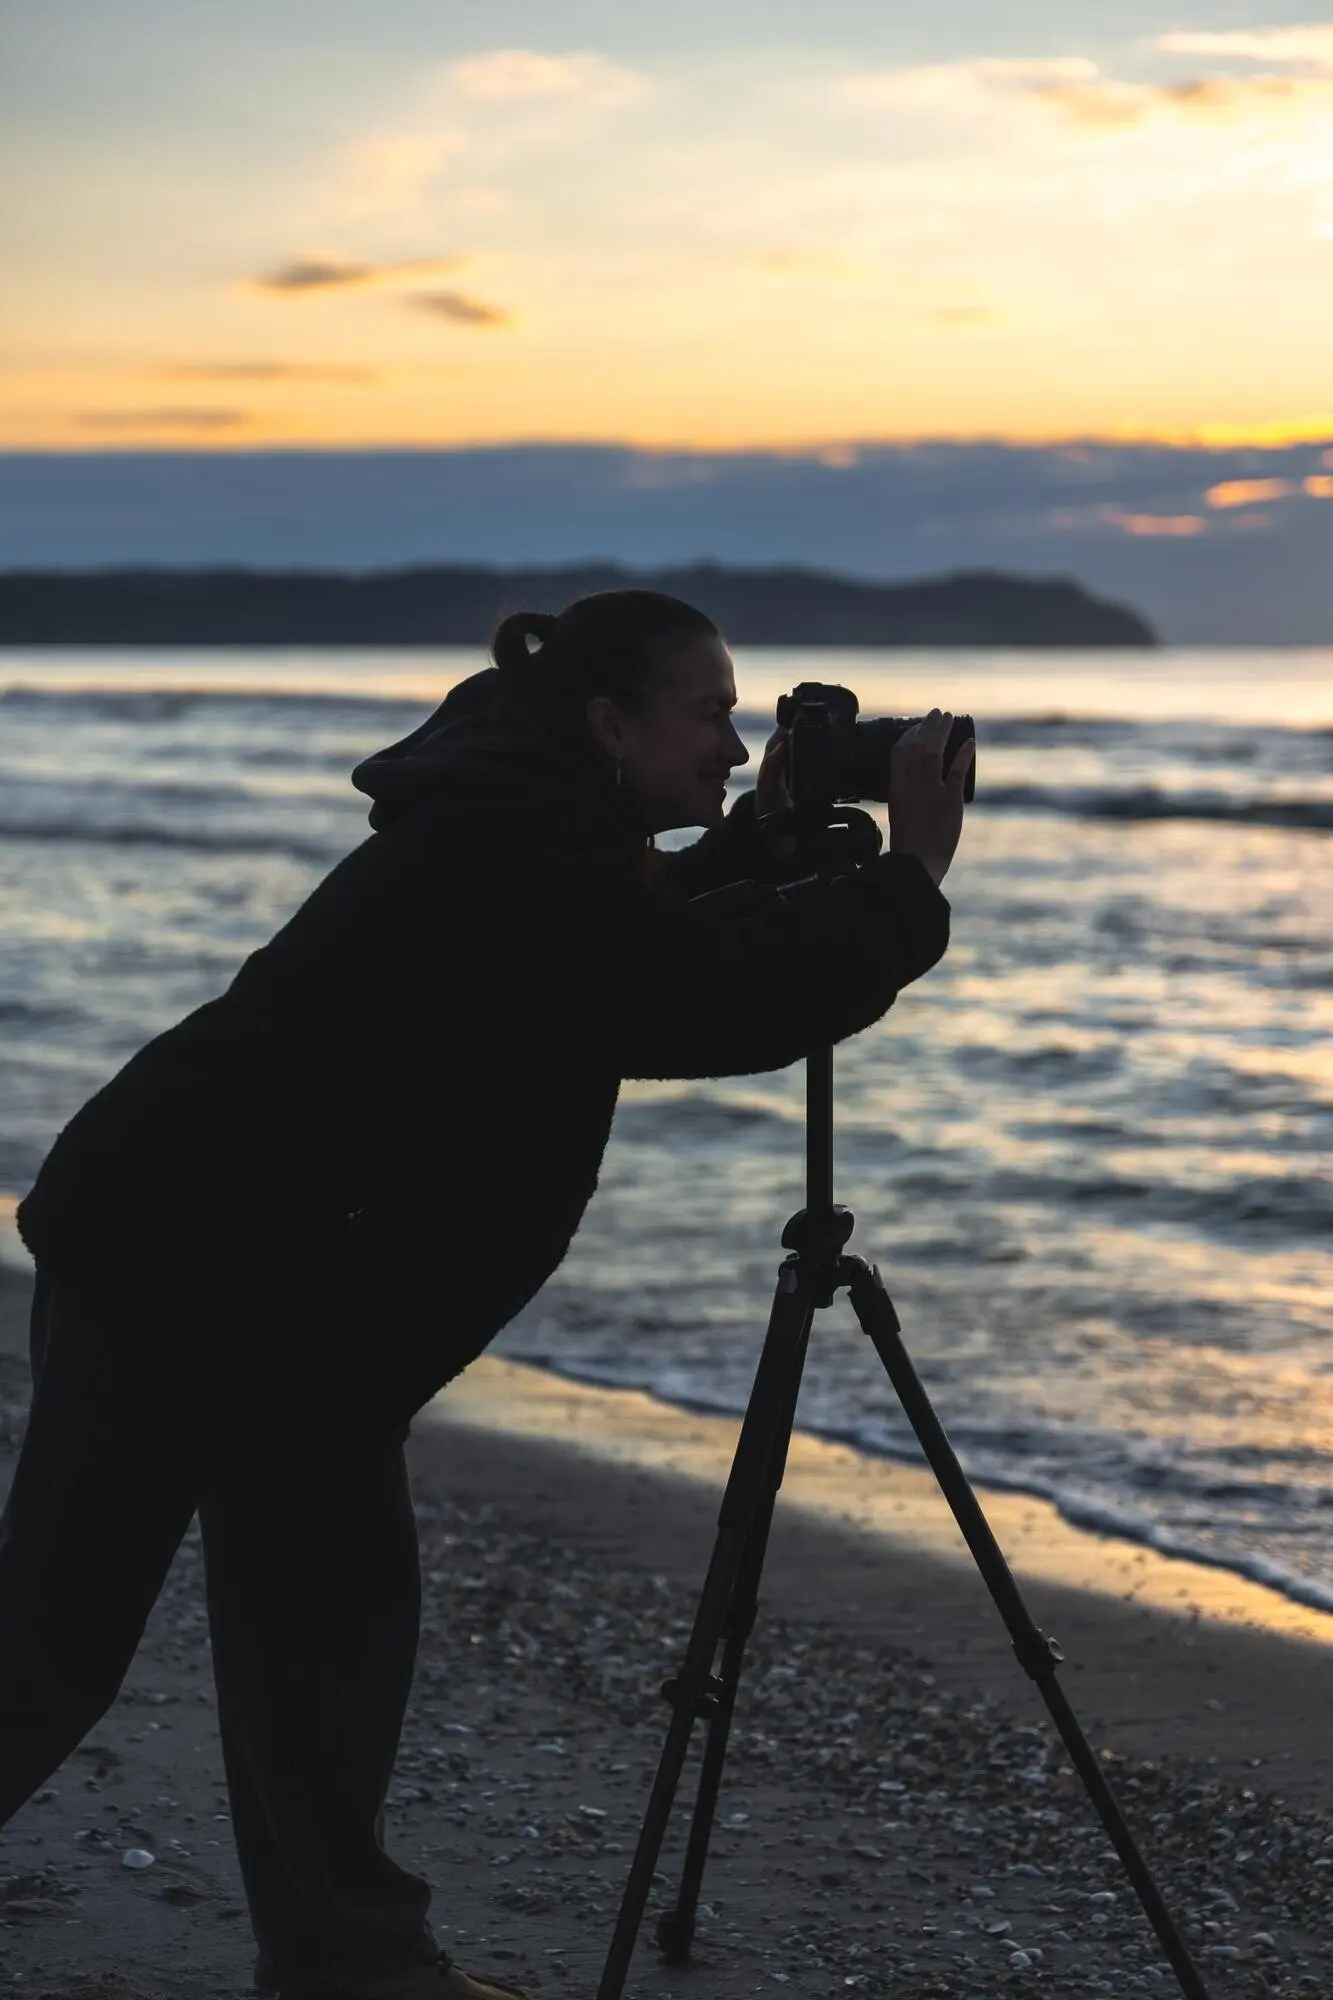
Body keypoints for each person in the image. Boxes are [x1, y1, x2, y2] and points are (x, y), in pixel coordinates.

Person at [0, 589, 972, 2000]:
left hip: (286, 1292)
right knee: (60, 1646)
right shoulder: (515, 855)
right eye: (708, 714)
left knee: (324, 1634)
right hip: (190, 1271)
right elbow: (682, 1000)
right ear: (607, 723)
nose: (731, 745)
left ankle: (351, 1963)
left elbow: (621, 938)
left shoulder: (527, 824)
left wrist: (746, 854)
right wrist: (908, 884)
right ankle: (352, 1960)